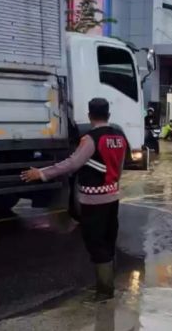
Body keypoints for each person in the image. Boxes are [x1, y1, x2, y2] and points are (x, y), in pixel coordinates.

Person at [21, 98, 128, 300]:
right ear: (109, 115)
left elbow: (72, 164)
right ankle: (108, 286)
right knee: (108, 241)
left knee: (96, 245)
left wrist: (42, 173)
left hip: (92, 202)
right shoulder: (119, 138)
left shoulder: (90, 139)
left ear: (90, 116)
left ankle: (105, 292)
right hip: (112, 198)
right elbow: (120, 167)